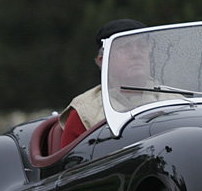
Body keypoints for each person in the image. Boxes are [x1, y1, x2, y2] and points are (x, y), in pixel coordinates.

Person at [59, 18, 145, 146]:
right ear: (104, 61)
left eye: (142, 46)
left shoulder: (175, 99)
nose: (136, 54)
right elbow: (71, 164)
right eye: (125, 47)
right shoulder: (84, 113)